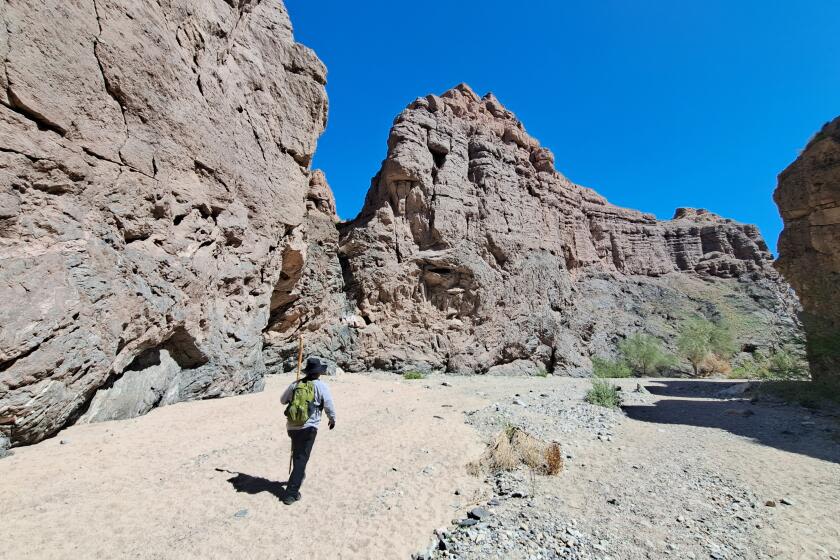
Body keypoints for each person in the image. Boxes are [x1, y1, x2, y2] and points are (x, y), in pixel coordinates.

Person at [280, 356, 336, 505]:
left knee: (298, 454)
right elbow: (329, 404)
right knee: (301, 459)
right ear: (318, 373)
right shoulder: (321, 386)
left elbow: (282, 400)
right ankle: (291, 494)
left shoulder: (296, 384)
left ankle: (298, 476)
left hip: (292, 427)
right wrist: (332, 419)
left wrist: (295, 390)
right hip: (309, 427)